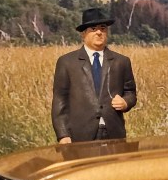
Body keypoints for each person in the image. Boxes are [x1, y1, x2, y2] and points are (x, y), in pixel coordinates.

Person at [52, 8, 137, 142]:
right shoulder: (66, 62)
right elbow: (59, 100)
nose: (99, 32)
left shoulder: (122, 62)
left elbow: (130, 92)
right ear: (83, 34)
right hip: (79, 135)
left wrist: (126, 102)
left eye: (103, 28)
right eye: (93, 28)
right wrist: (63, 134)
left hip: (114, 133)